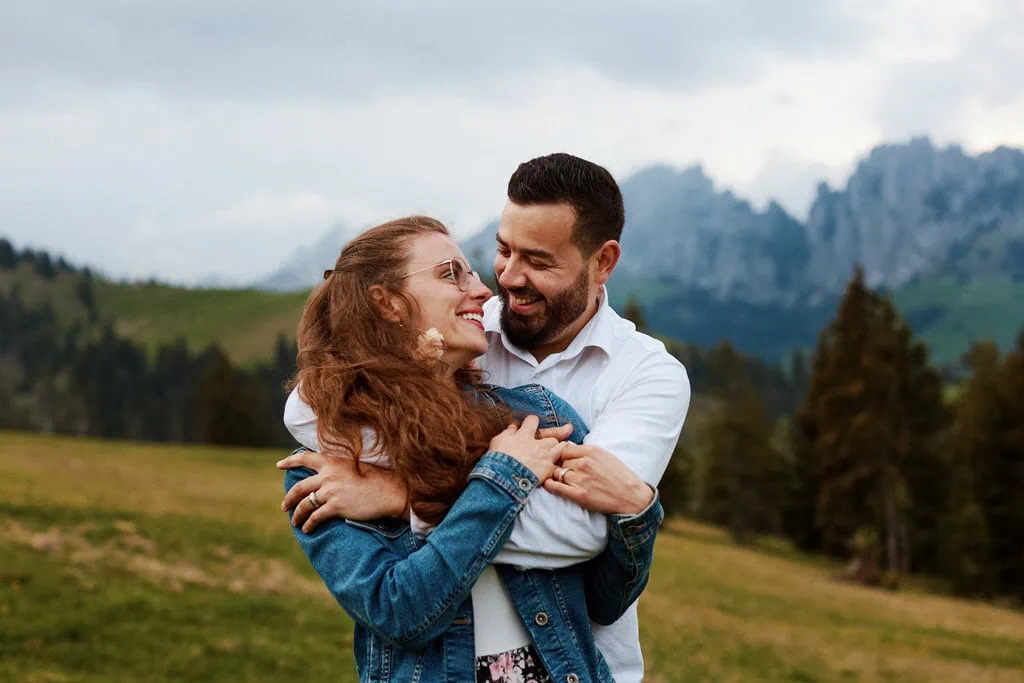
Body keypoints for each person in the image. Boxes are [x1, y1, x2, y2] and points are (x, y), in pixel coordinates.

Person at [284, 154, 691, 682]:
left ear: (602, 262)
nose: (502, 281)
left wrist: (406, 494)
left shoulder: (638, 376)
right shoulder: (472, 327)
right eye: (502, 251)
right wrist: (498, 479)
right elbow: (311, 409)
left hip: (577, 661)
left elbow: (582, 532)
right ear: (389, 304)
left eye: (538, 262)